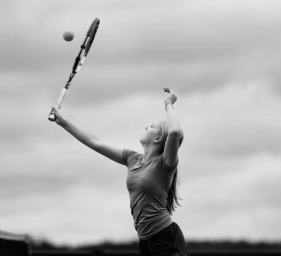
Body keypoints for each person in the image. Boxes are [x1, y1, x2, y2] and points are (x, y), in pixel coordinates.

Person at [49, 87, 190, 256]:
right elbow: (95, 142)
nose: (147, 126)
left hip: (165, 238)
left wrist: (168, 104)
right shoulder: (132, 159)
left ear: (158, 139)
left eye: (152, 126)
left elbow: (175, 132)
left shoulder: (165, 164)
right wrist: (62, 121)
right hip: (145, 241)